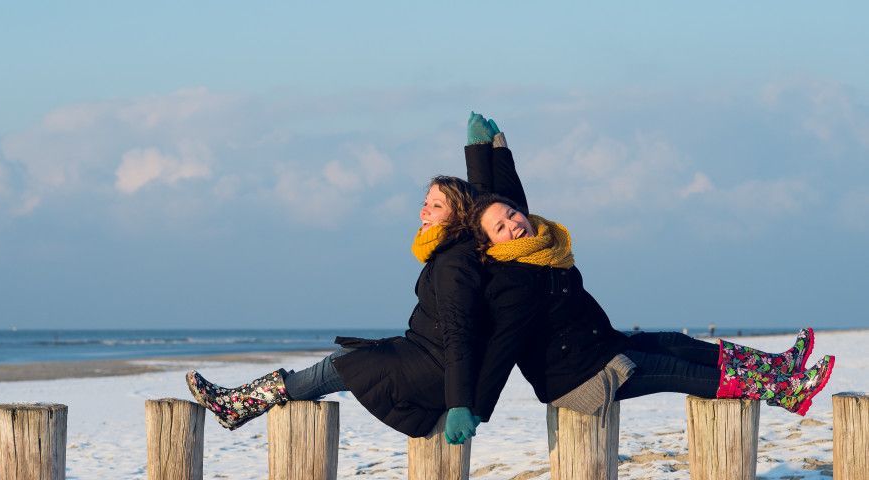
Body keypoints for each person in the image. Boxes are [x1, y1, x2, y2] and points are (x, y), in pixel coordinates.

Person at [185, 120, 534, 441]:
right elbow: (489, 200)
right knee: (349, 355)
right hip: (424, 354)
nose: (424, 212)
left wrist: (461, 405)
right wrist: (482, 148)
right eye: (425, 203)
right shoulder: (456, 246)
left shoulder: (455, 264)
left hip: (435, 370)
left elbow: (459, 336)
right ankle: (241, 403)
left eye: (436, 206)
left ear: (457, 215)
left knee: (342, 364)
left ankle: (239, 404)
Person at [459, 192, 835, 434]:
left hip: (604, 347)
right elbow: (502, 347)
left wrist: (488, 145)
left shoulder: (545, 254)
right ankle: (786, 392)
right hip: (581, 377)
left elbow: (500, 187)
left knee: (676, 342)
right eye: (501, 227)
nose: (513, 225)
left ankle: (780, 366)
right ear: (491, 243)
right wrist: (475, 409)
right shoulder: (511, 282)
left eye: (512, 214)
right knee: (682, 372)